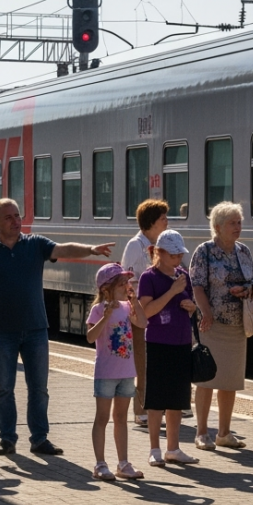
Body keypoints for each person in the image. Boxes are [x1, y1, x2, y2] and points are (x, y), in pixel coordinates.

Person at [0, 198, 114, 457]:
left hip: (35, 329)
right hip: (2, 331)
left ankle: (39, 438)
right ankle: (7, 439)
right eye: (9, 217)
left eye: (17, 215)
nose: (16, 221)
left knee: (39, 388)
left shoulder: (34, 244)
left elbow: (63, 249)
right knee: (4, 388)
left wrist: (91, 249)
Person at [189, 202, 253, 451]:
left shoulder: (243, 251)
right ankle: (201, 433)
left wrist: (248, 289)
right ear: (218, 227)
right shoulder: (205, 251)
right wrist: (205, 311)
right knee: (207, 378)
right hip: (212, 323)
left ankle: (223, 433)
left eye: (239, 222)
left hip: (237, 323)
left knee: (230, 380)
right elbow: (196, 285)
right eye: (232, 223)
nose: (237, 227)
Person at [139, 230, 199, 467]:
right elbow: (147, 311)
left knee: (177, 400)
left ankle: (173, 448)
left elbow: (191, 303)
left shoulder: (183, 275)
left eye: (179, 255)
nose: (177, 259)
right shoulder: (149, 277)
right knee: (156, 399)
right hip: (158, 343)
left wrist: (191, 306)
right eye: (173, 255)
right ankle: (155, 448)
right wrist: (173, 292)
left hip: (182, 342)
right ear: (159, 253)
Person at [86, 263, 147, 481]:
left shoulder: (126, 306)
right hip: (105, 373)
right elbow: (91, 337)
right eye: (121, 283)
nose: (126, 286)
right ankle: (100, 464)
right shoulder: (98, 309)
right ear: (106, 288)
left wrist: (134, 301)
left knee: (121, 418)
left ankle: (123, 463)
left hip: (126, 372)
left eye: (127, 282)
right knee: (102, 418)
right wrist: (105, 316)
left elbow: (143, 322)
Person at [121, 199, 170, 427]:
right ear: (151, 222)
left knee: (154, 362)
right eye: (163, 218)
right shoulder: (135, 245)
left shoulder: (160, 244)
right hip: (140, 312)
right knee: (141, 361)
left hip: (158, 310)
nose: (167, 222)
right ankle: (140, 410)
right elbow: (128, 281)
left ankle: (153, 406)